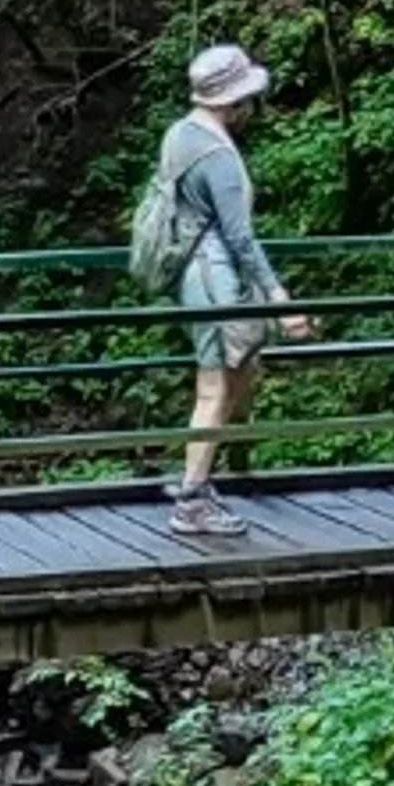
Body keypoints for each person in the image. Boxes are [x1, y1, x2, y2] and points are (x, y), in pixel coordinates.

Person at [153, 41, 314, 543]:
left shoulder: (181, 134)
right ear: (234, 100)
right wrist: (276, 297)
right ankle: (194, 499)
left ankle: (196, 479)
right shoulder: (217, 156)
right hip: (216, 278)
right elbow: (239, 237)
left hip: (194, 278)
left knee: (237, 374)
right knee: (217, 385)